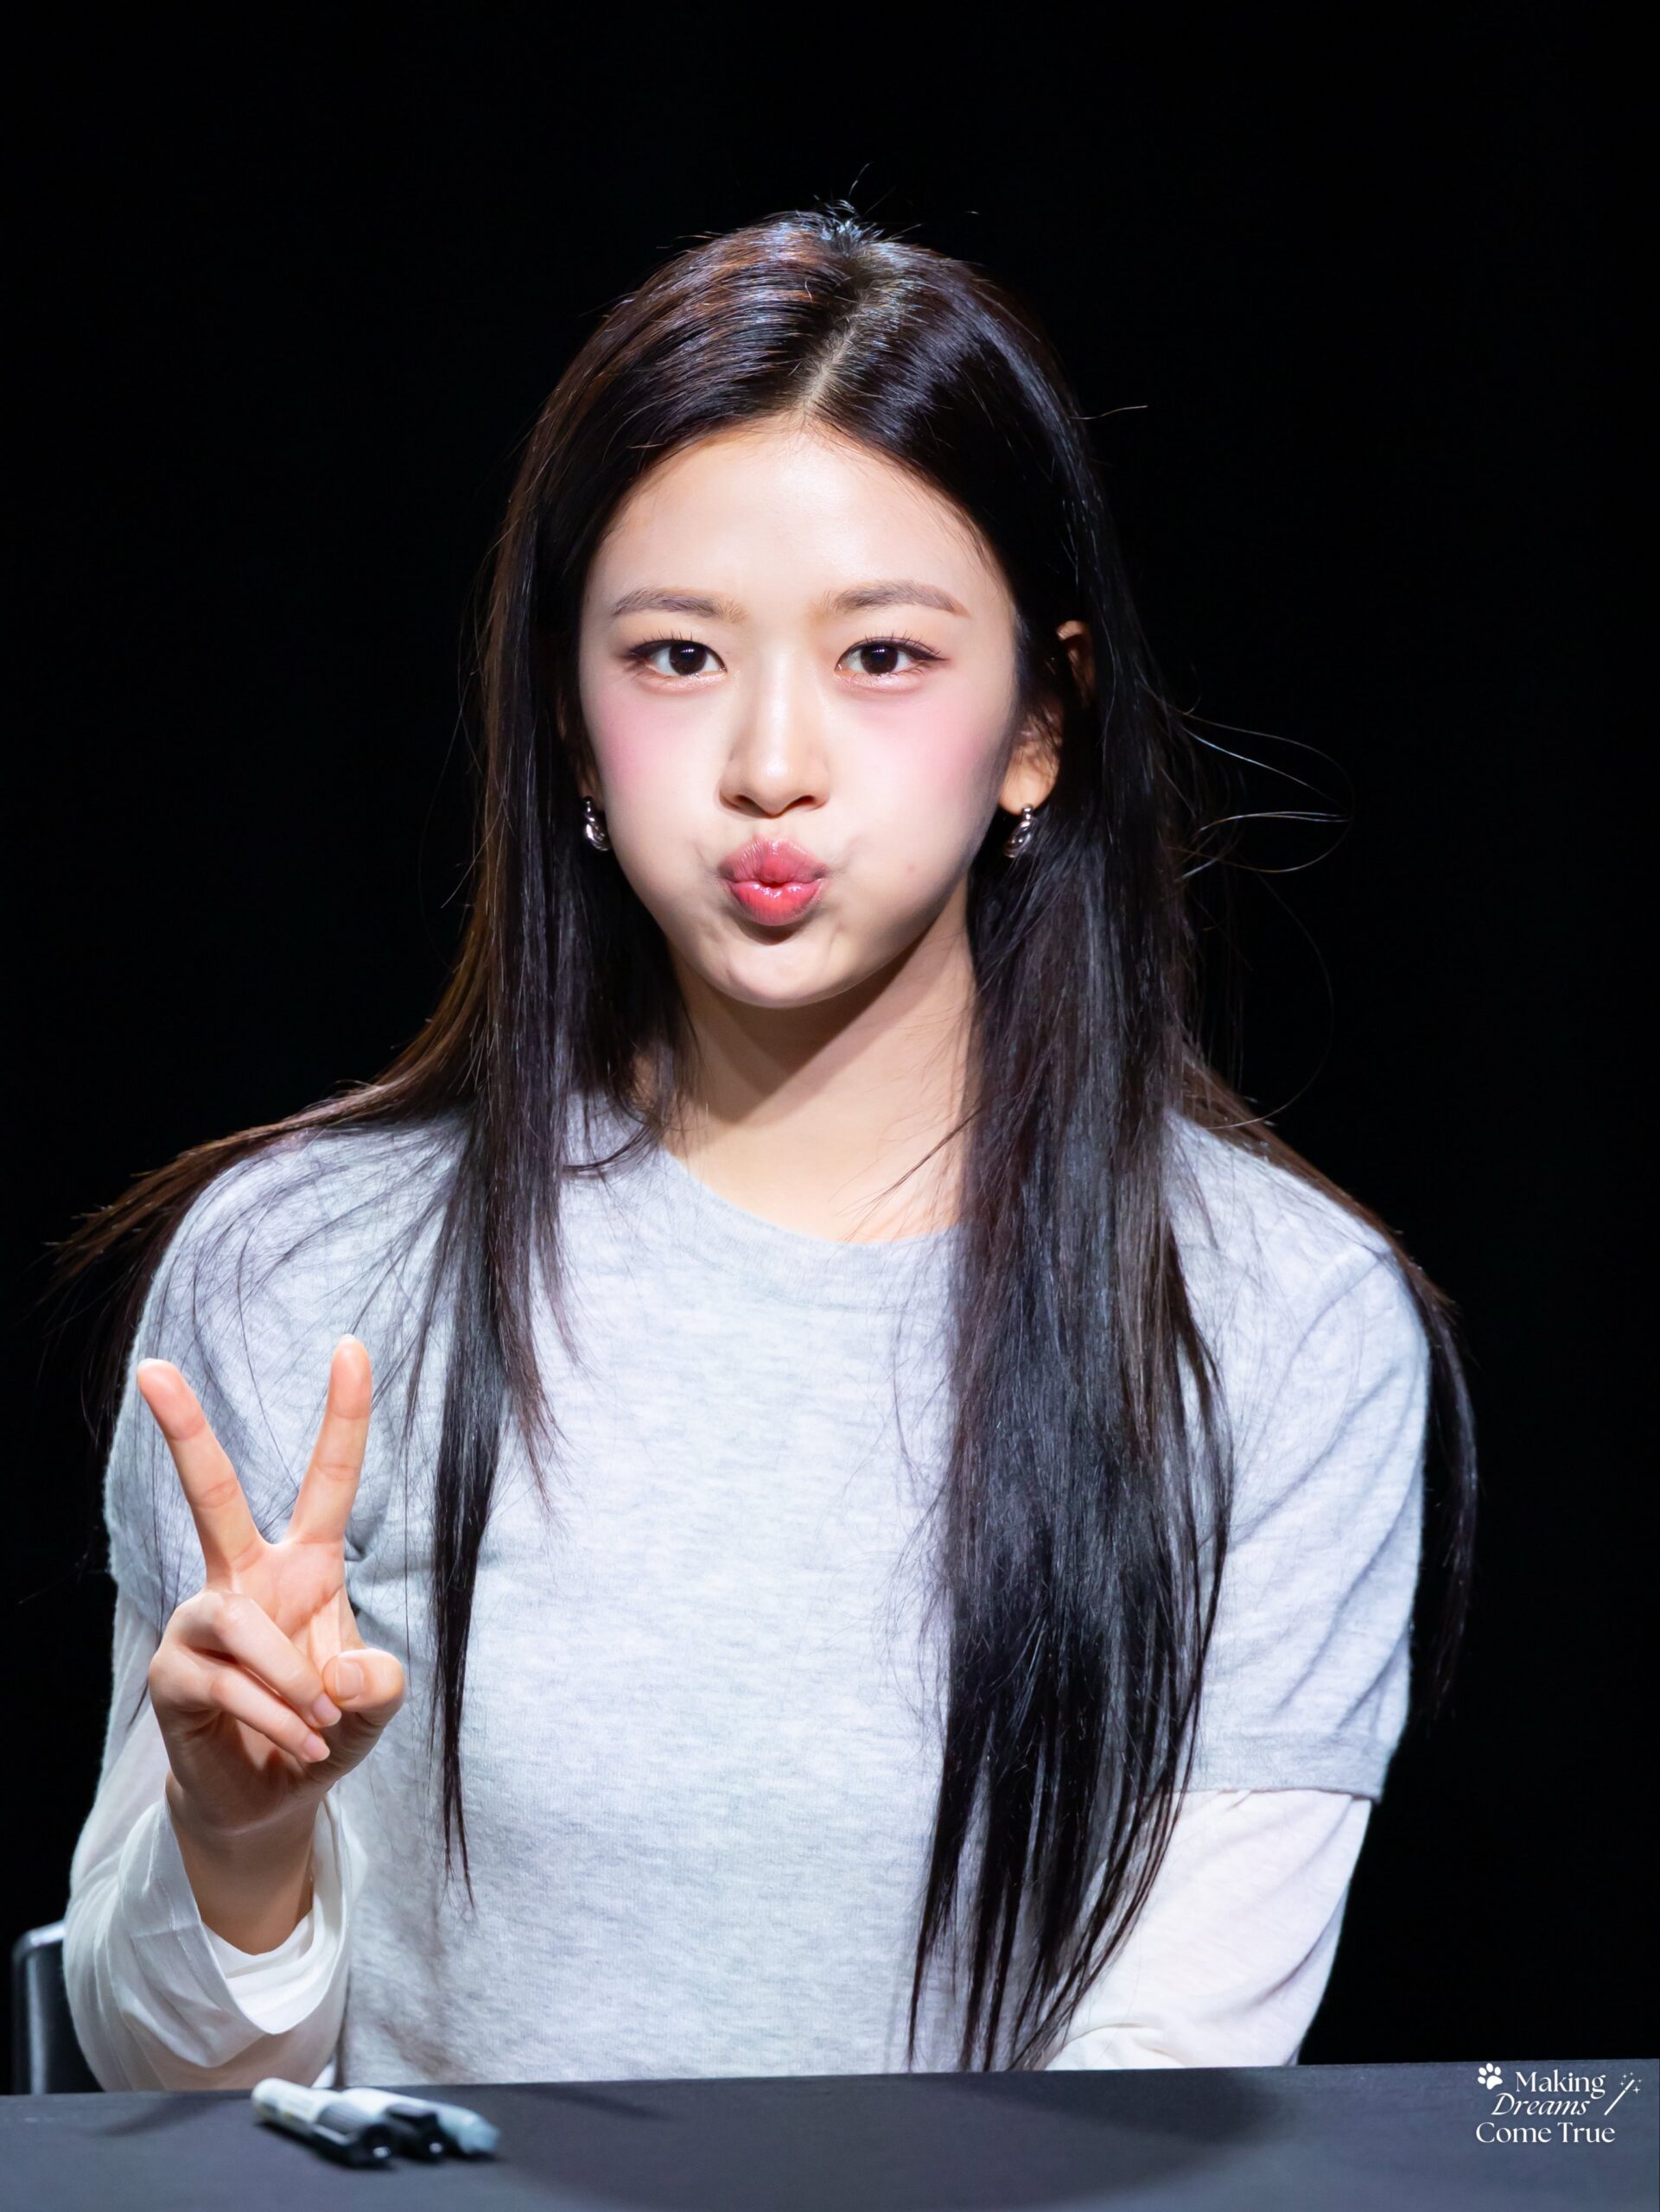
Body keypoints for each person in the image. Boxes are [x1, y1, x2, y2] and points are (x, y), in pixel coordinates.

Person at [56, 203, 1475, 2091]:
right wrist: (239, 1838)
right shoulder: (308, 1268)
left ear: (1040, 721)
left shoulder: (1270, 1319)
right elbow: (176, 2102)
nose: (771, 764)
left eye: (882, 655)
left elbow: (1168, 2083)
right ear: (570, 726)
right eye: (675, 656)